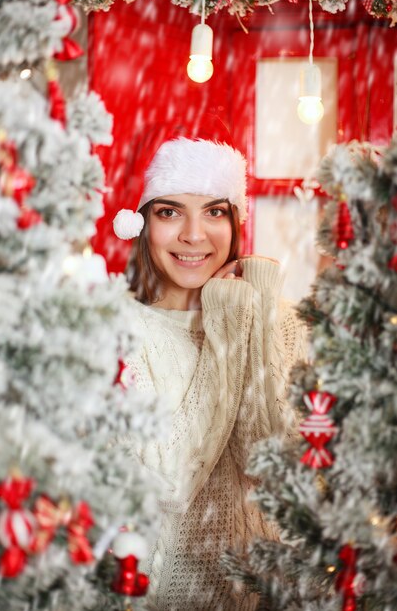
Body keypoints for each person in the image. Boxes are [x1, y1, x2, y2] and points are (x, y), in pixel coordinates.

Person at [113, 135, 307, 611]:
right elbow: (170, 482)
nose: (194, 235)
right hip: (164, 600)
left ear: (235, 222)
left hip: (275, 597)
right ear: (143, 223)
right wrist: (225, 331)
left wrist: (254, 316)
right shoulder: (118, 331)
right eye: (170, 212)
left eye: (215, 212)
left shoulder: (284, 322)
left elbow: (282, 464)